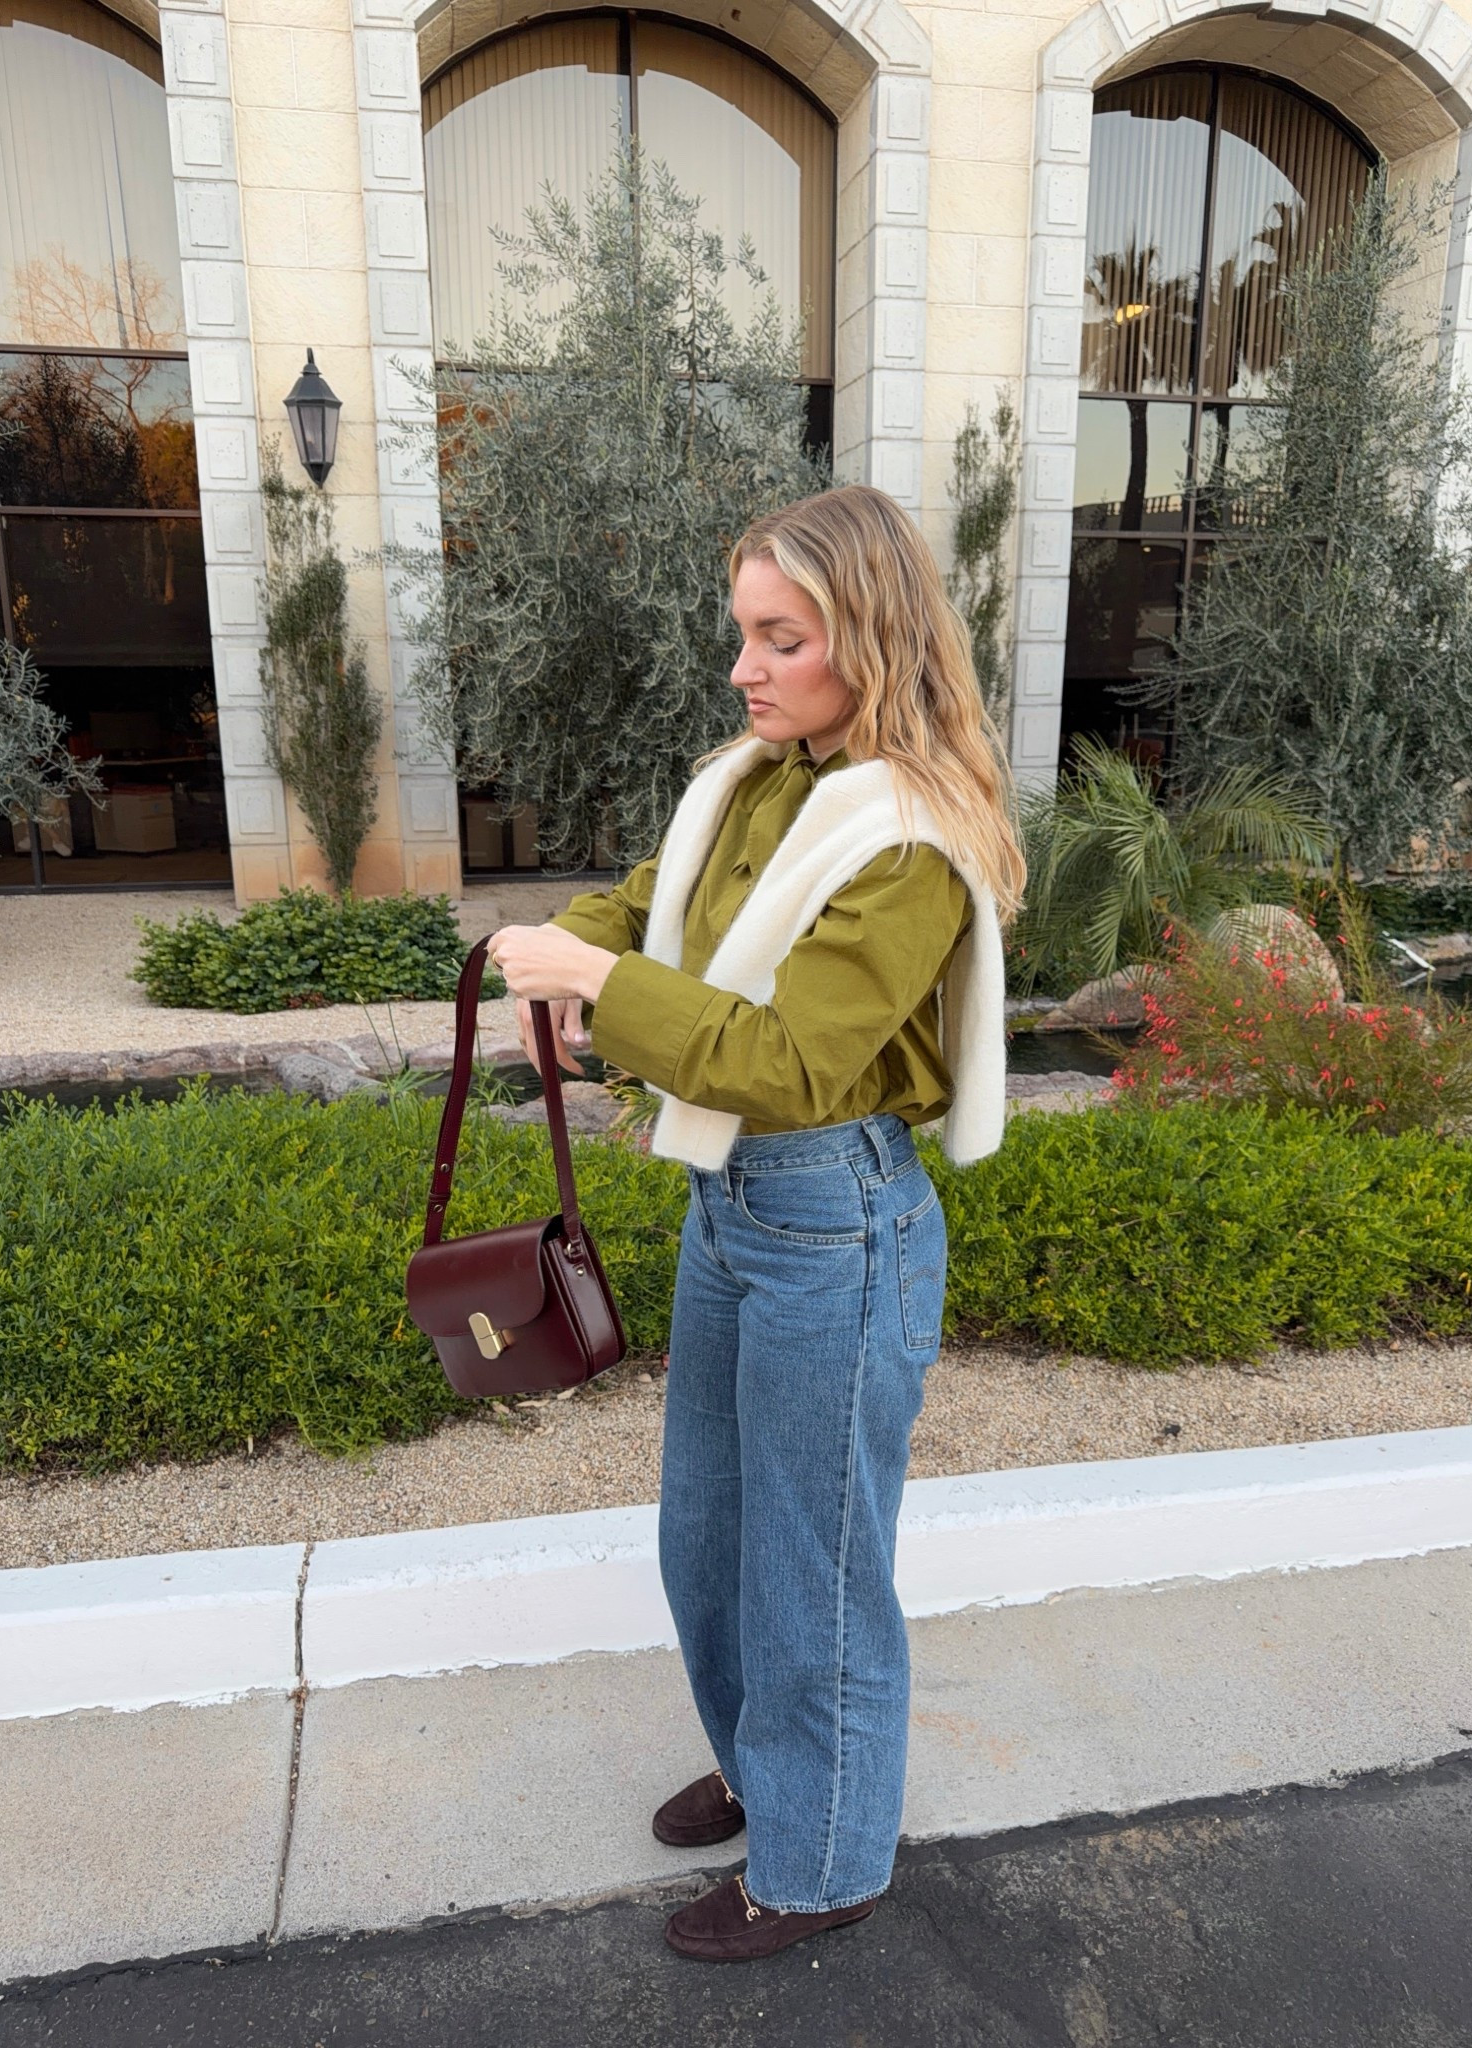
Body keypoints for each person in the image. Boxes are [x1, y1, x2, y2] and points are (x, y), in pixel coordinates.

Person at [486, 482, 1026, 1963]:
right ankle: (764, 1759)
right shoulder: (754, 784)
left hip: (830, 1213)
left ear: (869, 634)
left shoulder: (911, 835)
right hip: (739, 1204)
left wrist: (594, 987)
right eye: (745, 635)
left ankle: (823, 1857)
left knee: (814, 1562)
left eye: (780, 639)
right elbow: (653, 905)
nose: (745, 668)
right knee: (709, 1534)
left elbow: (788, 1062)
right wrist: (560, 942)